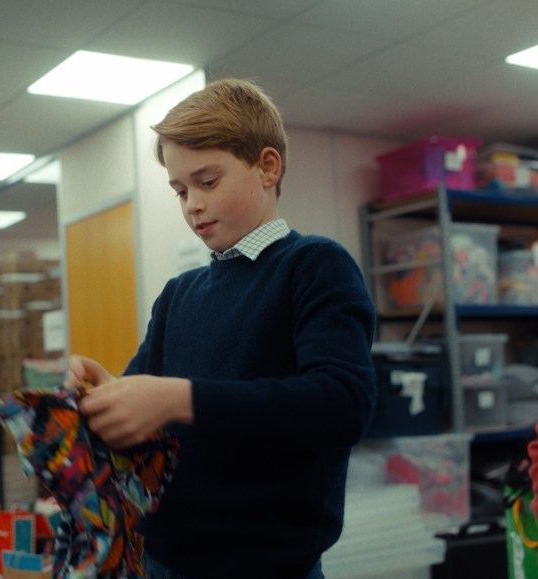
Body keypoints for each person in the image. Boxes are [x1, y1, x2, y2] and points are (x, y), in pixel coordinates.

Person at [65, 78, 377, 578]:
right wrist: (104, 394)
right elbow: (143, 408)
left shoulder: (315, 265)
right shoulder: (178, 295)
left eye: (208, 182)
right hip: (163, 557)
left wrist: (180, 399)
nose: (192, 204)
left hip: (266, 564)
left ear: (267, 168)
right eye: (180, 190)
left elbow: (342, 402)